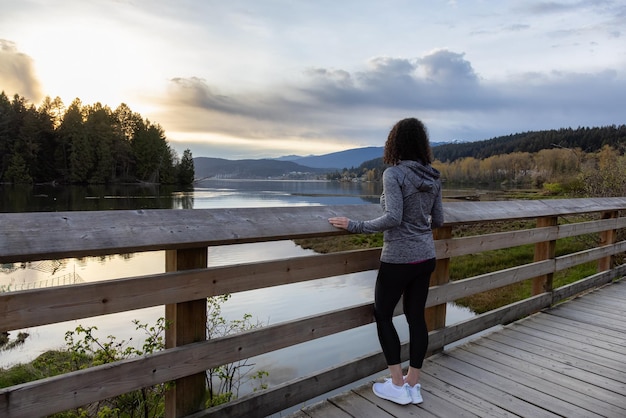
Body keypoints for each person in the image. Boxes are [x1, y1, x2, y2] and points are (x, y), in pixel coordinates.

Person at [328, 117, 443, 405]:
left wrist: (354, 225)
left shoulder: (394, 174)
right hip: (426, 256)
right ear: (422, 144)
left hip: (398, 259)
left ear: (395, 143)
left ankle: (396, 383)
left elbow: (393, 218)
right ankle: (413, 385)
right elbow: (438, 220)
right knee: (416, 318)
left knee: (383, 315)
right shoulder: (433, 176)